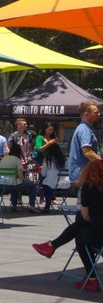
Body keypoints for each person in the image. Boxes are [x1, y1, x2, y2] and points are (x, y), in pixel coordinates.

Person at [34, 102, 102, 260]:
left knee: (82, 221)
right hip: (85, 177)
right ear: (86, 114)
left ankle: (52, 246)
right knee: (83, 220)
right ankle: (52, 246)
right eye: (96, 112)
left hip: (84, 177)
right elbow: (87, 151)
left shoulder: (83, 129)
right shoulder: (84, 130)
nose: (99, 114)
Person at [71, 159, 103, 291]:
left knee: (80, 236)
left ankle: (92, 278)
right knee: (82, 231)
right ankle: (52, 245)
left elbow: (86, 216)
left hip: (98, 235)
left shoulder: (88, 188)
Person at [0, 142, 38, 212]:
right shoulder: (17, 160)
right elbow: (21, 177)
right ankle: (32, 205)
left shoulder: (3, 159)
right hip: (13, 185)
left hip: (1, 185)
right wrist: (27, 179)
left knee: (15, 183)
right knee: (32, 186)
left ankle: (14, 205)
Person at [36, 123, 64, 212]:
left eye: (52, 130)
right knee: (45, 179)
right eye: (49, 130)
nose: (50, 132)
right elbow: (39, 149)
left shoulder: (53, 138)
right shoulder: (40, 137)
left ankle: (50, 199)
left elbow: (56, 150)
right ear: (45, 129)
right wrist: (49, 143)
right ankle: (43, 198)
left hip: (52, 161)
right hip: (43, 159)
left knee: (48, 179)